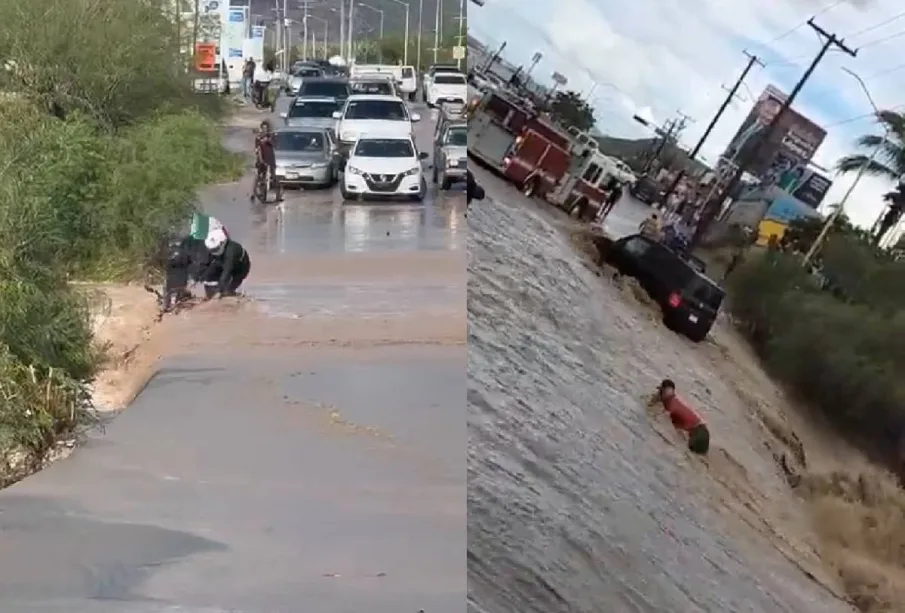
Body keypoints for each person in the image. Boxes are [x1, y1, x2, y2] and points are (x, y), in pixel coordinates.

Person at [649, 379, 710, 455]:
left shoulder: (670, 407)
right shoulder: (676, 401)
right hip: (703, 432)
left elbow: (675, 428)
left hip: (698, 435)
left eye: (660, 392)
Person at [205, 229, 251, 298]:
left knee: (227, 290)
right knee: (208, 275)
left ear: (222, 243)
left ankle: (233, 296)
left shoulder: (231, 253)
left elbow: (226, 272)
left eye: (215, 249)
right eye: (211, 250)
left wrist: (219, 291)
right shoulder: (217, 250)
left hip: (240, 268)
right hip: (222, 260)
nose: (213, 252)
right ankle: (210, 296)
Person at [253, 121, 281, 201]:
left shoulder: (271, 136)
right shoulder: (258, 137)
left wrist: (268, 140)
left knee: (273, 176)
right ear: (261, 128)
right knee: (259, 177)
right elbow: (257, 149)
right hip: (261, 159)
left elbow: (275, 145)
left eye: (266, 128)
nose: (265, 130)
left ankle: (278, 195)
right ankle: (255, 194)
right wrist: (259, 159)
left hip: (270, 159)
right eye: (263, 128)